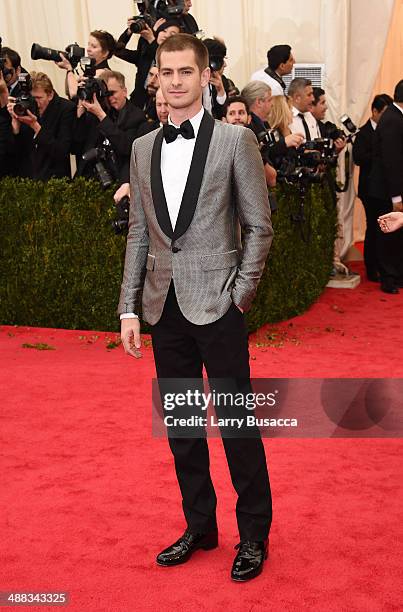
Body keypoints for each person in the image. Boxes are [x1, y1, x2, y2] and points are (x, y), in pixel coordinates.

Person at [118, 33, 273, 582]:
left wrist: (239, 296)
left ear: (206, 76)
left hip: (219, 306)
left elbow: (258, 225)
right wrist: (129, 309)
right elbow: (139, 234)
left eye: (187, 71)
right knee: (183, 426)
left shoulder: (235, 141)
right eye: (167, 71)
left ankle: (253, 535)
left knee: (236, 426)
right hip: (165, 310)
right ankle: (200, 527)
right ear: (156, 76)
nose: (176, 80)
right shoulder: (140, 148)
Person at [73, 70, 147, 183]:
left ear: (125, 91)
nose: (109, 98)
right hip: (89, 178)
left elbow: (126, 147)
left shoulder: (136, 116)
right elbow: (76, 143)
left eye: (112, 93)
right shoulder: (97, 111)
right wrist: (81, 107)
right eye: (106, 94)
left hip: (117, 180)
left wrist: (101, 115)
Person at [352, 93, 393, 281]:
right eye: (383, 112)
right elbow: (359, 158)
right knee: (373, 227)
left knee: (386, 228)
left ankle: (385, 265)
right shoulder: (363, 133)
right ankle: (371, 267)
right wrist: (380, 155)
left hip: (386, 188)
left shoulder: (389, 130)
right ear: (374, 111)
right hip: (369, 188)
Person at [368, 79, 403, 293]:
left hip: (390, 189)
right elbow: (392, 161)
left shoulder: (394, 116)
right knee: (388, 234)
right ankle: (389, 278)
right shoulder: (393, 119)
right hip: (386, 191)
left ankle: (396, 275)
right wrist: (397, 198)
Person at [6, 71, 75, 180]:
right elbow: (14, 152)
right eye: (32, 98)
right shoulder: (24, 107)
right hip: (26, 181)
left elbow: (61, 151)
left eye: (39, 98)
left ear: (50, 94)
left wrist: (35, 126)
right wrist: (16, 125)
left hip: (54, 183)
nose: (35, 103)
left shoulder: (66, 109)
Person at [115, 18, 181, 109]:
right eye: (164, 31)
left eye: (172, 34)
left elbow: (162, 58)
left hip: (162, 106)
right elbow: (118, 51)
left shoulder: (177, 59)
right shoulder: (145, 55)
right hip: (138, 103)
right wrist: (129, 31)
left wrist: (151, 39)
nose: (166, 35)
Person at [56, 30, 117, 99]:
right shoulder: (90, 68)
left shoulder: (103, 73)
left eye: (94, 46)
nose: (88, 49)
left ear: (105, 53)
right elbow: (68, 91)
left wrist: (69, 69)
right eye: (88, 45)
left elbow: (74, 93)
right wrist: (71, 66)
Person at [202, 37, 237, 119]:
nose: (225, 65)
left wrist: (220, 91)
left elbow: (224, 114)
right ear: (212, 62)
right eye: (222, 60)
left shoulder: (224, 81)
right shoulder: (193, 81)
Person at [311, 87, 346, 153]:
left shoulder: (322, 127)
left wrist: (336, 150)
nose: (326, 107)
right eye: (322, 103)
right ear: (311, 106)